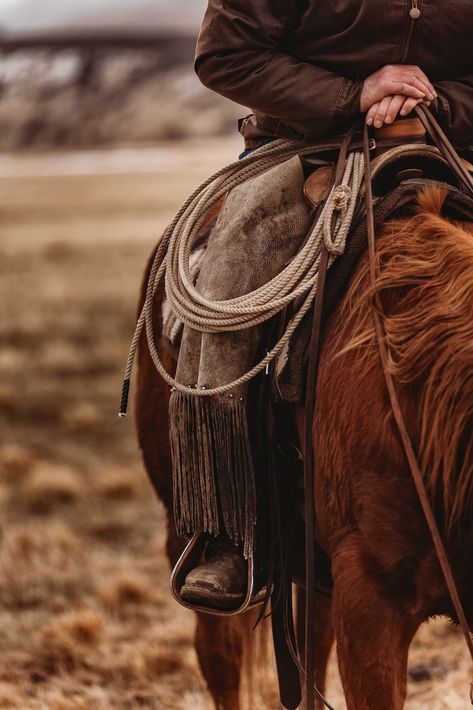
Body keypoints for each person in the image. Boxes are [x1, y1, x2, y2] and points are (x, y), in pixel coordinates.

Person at [175, 0, 473, 609]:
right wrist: (355, 93)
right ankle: (227, 527)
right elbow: (226, 55)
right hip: (304, 149)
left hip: (452, 146)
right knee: (235, 271)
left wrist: (436, 103)